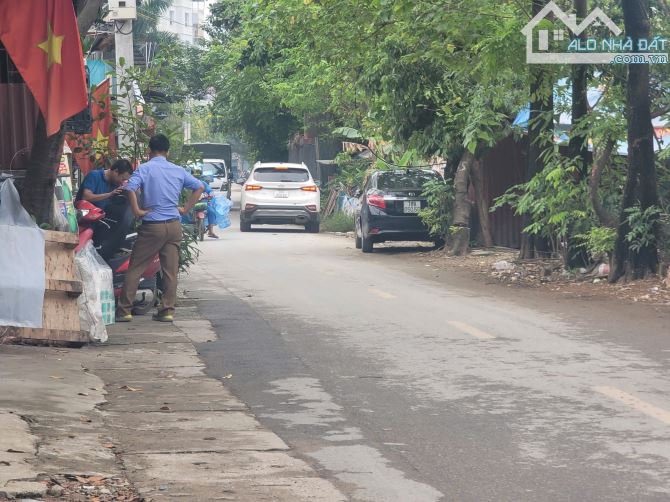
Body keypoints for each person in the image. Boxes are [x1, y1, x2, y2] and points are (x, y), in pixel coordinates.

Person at [116, 134, 204, 323]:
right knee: (170, 271)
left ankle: (124, 311)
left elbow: (130, 188)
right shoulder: (178, 170)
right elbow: (199, 187)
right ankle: (167, 311)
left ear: (149, 150)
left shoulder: (145, 169)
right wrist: (186, 209)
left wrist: (137, 210)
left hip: (152, 226)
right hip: (173, 225)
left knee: (136, 268)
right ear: (167, 151)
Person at [76, 159, 135, 260]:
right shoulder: (94, 176)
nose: (121, 182)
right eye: (122, 178)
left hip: (102, 225)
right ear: (115, 171)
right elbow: (87, 197)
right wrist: (109, 194)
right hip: (84, 223)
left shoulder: (116, 185)